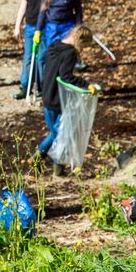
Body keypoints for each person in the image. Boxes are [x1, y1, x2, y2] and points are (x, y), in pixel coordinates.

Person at [39, 24, 98, 176]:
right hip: (58, 99)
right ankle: (57, 168)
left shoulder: (55, 45)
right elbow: (66, 77)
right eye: (85, 45)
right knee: (62, 134)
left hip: (46, 94)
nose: (84, 49)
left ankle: (39, 155)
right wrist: (87, 85)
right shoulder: (70, 53)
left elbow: (44, 63)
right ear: (81, 40)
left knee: (55, 132)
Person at [34, 0, 83, 83]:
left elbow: (78, 9)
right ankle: (51, 82)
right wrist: (38, 30)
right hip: (52, 26)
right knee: (52, 56)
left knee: (68, 55)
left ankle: (67, 79)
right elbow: (43, 11)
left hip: (68, 25)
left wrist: (78, 27)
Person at [13, 0, 46, 100]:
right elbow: (22, 8)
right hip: (30, 28)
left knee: (40, 58)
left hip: (43, 29)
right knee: (28, 57)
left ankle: (41, 87)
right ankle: (25, 86)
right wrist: (17, 27)